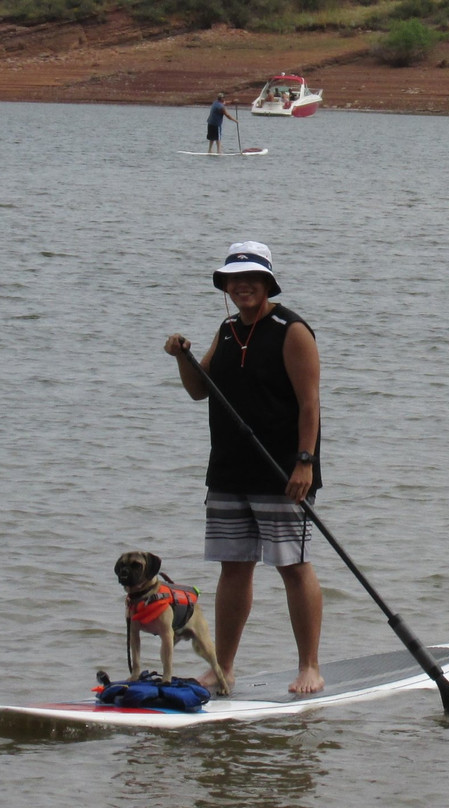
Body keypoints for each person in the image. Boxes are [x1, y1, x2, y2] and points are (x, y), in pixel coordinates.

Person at [164, 241, 325, 694]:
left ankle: (309, 666)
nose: (243, 286)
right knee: (233, 567)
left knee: (293, 567)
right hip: (229, 470)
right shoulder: (228, 328)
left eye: (252, 278)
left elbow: (310, 403)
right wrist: (183, 356)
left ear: (269, 282)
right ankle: (223, 667)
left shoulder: (291, 329)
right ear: (226, 285)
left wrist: (305, 462)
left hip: (282, 471)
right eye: (235, 279)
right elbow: (200, 390)